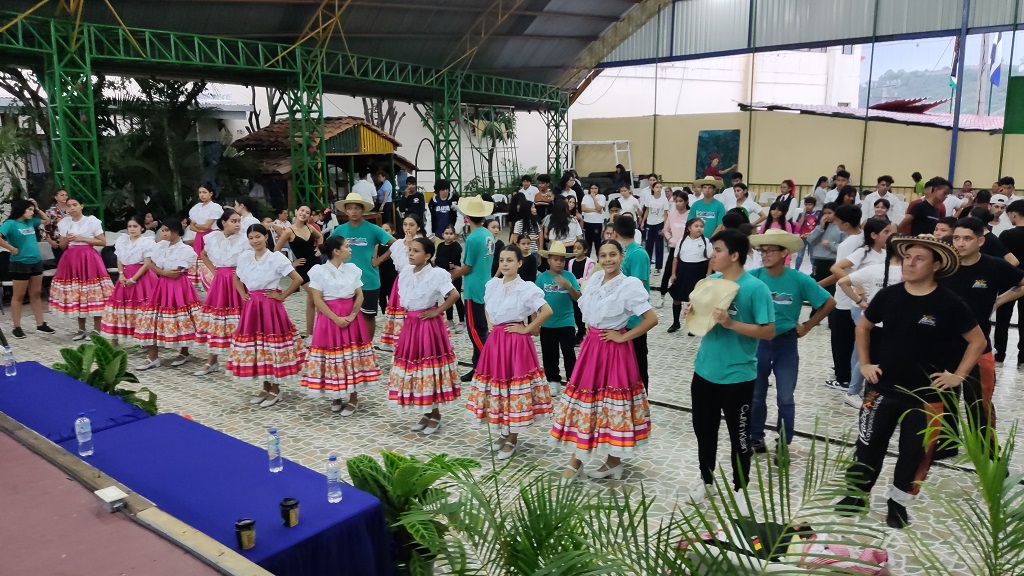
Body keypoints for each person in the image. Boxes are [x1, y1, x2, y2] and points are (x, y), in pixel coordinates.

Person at [839, 234, 984, 529]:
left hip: (927, 395)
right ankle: (856, 494)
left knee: (914, 453)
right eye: (907, 257)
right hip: (882, 388)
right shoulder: (889, 296)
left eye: (919, 259)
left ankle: (898, 503)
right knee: (868, 444)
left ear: (936, 265)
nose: (909, 263)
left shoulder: (950, 303)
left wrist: (958, 375)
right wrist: (865, 363)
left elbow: (977, 341)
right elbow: (864, 327)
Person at [551, 239, 657, 480]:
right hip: (592, 348)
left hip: (614, 351)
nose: (608, 259)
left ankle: (610, 461)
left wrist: (623, 337)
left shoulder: (629, 285)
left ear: (622, 257)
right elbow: (586, 308)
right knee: (588, 403)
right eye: (604, 255)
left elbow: (651, 319)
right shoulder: (596, 280)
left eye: (613, 255)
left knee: (610, 405)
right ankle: (580, 460)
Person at [686, 229, 775, 504]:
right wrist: (690, 313)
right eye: (713, 250)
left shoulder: (755, 288)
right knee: (704, 429)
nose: (712, 255)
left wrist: (731, 323)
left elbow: (769, 330)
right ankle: (706, 479)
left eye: (719, 251)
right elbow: (699, 323)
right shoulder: (710, 282)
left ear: (735, 255)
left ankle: (740, 488)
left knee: (739, 435)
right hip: (704, 372)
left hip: (738, 376)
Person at [937, 217, 1024, 459]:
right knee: (945, 399)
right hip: (944, 346)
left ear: (980, 241)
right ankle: (947, 444)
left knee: (979, 403)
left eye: (967, 238)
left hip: (979, 347)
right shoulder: (943, 266)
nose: (960, 243)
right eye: (956, 238)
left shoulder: (994, 266)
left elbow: (1021, 283)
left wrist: (999, 301)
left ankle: (987, 452)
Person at [748, 230, 835, 454]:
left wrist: (807, 326)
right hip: (759, 344)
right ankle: (756, 436)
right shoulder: (754, 277)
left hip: (786, 344)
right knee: (756, 395)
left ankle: (783, 442)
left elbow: (828, 302)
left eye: (770, 251)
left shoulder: (798, 279)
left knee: (785, 397)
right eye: (762, 250)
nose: (765, 255)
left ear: (784, 253)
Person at [466, 245, 554, 460]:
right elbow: (487, 307)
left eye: (509, 260)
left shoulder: (526, 288)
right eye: (502, 260)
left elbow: (547, 311)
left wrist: (525, 328)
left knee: (513, 388)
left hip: (516, 344)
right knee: (498, 387)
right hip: (496, 341)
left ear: (519, 263)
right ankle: (504, 431)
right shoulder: (493, 284)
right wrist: (491, 326)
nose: (505, 264)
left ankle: (513, 437)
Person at [388, 237, 462, 434]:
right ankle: (426, 412)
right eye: (410, 250)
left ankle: (435, 413)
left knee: (429, 368)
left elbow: (454, 295)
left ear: (428, 256)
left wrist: (437, 311)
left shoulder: (436, 274)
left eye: (416, 251)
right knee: (415, 368)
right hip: (411, 325)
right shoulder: (406, 272)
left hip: (428, 326)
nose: (411, 254)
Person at [300, 235, 380, 415]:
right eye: (347, 246)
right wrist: (335, 318)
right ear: (336, 251)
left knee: (351, 357)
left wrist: (352, 314)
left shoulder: (352, 269)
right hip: (329, 319)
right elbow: (317, 300)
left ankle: (353, 397)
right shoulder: (318, 271)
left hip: (351, 318)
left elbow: (359, 295)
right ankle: (335, 394)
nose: (350, 249)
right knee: (332, 358)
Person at [228, 224, 305, 408]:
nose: (255, 241)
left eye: (258, 237)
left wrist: (282, 295)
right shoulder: (246, 257)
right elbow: (236, 278)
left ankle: (275, 388)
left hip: (270, 306)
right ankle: (265, 386)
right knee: (257, 346)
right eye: (251, 238)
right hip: (252, 306)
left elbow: (298, 279)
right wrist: (242, 293)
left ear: (266, 237)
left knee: (271, 346)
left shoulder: (276, 258)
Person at [837, 238, 903, 408]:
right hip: (891, 325)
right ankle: (856, 392)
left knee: (861, 354)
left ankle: (854, 391)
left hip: (871, 320)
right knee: (869, 358)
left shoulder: (874, 269)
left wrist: (859, 300)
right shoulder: (908, 272)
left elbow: (843, 282)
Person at [133, 220, 201, 370]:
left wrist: (162, 271)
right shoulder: (160, 246)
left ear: (176, 231)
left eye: (166, 230)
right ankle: (152, 356)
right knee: (153, 318)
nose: (163, 234)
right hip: (161, 285)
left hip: (178, 287)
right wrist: (162, 272)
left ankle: (184, 351)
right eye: (162, 230)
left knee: (181, 318)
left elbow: (175, 272)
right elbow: (150, 263)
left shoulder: (185, 250)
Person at [331, 193, 396, 343]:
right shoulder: (340, 230)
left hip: (369, 281)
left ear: (363, 211)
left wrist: (379, 259)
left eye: (356, 208)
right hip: (345, 283)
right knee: (346, 315)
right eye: (350, 208)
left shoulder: (373, 229)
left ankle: (367, 347)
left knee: (367, 316)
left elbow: (396, 244)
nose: (353, 211)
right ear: (345, 211)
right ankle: (350, 344)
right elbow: (328, 249)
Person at [192, 209, 248, 376]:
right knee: (216, 320)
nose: (237, 224)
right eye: (233, 221)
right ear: (224, 222)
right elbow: (203, 254)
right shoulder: (212, 237)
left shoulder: (245, 240)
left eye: (239, 221)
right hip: (220, 282)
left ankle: (240, 360)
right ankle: (212, 361)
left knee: (239, 320)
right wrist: (215, 272)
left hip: (238, 281)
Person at [50, 198, 114, 339]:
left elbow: (102, 241)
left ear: (81, 206)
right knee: (77, 292)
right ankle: (81, 329)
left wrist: (82, 238)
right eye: (69, 206)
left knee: (93, 292)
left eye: (75, 205)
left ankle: (98, 329)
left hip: (88, 257)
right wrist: (67, 237)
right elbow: (62, 246)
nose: (72, 208)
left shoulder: (92, 221)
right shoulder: (64, 223)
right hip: (71, 258)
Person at [817, 204, 864, 389]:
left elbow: (838, 272)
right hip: (858, 297)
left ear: (845, 223)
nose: (834, 223)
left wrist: (816, 286)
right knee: (852, 342)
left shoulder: (847, 243)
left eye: (836, 221)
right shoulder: (863, 238)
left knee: (840, 341)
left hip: (845, 298)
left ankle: (843, 377)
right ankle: (849, 372)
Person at [451, 196, 496, 382]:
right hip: (485, 283)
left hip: (472, 287)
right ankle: (478, 367)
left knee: (475, 331)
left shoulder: (472, 239)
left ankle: (490, 363)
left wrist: (453, 274)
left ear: (467, 217)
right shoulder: (488, 234)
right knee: (482, 327)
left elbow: (467, 267)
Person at [0, 199, 55, 338]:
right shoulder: (10, 224)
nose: (31, 212)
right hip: (19, 263)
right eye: (29, 210)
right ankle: (17, 326)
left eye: (32, 210)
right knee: (18, 295)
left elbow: (47, 220)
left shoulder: (31, 222)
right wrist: (11, 248)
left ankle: (40, 323)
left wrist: (36, 207)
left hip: (35, 261)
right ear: (21, 210)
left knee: (36, 292)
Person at [100, 215, 157, 343]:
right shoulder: (123, 240)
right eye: (129, 226)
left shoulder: (147, 242)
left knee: (143, 307)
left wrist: (134, 279)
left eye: (135, 226)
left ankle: (147, 338)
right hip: (125, 275)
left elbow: (147, 263)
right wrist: (121, 274)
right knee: (120, 305)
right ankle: (117, 340)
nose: (132, 229)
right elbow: (119, 259)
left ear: (142, 228)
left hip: (142, 277)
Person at [535, 241, 581, 394]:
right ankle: (553, 380)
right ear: (548, 260)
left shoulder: (570, 276)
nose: (559, 263)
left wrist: (568, 285)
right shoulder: (542, 278)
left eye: (562, 260)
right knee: (549, 354)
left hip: (566, 322)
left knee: (569, 353)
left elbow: (578, 298)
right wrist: (535, 322)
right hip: (547, 323)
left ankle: (572, 382)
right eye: (556, 259)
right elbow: (534, 300)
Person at [613, 216, 652, 391]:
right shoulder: (621, 253)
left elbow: (639, 286)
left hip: (635, 319)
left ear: (616, 232)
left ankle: (642, 397)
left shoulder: (637, 254)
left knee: (638, 361)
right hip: (620, 318)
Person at [274, 204, 324, 337]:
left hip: (316, 264)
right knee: (317, 296)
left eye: (307, 212)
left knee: (312, 300)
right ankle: (323, 331)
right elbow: (276, 251)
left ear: (310, 215)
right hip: (302, 268)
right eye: (302, 210)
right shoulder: (289, 231)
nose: (304, 214)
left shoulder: (310, 227)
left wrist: (319, 249)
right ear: (296, 212)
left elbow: (320, 237)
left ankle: (310, 333)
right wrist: (291, 263)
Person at [381, 215, 424, 348]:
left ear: (418, 227)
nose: (408, 228)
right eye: (405, 224)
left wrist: (411, 244)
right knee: (401, 312)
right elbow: (400, 264)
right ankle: (401, 341)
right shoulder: (398, 244)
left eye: (411, 225)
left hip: (418, 281)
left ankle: (417, 340)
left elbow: (414, 263)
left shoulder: (423, 242)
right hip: (401, 281)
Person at [667, 218, 712, 333]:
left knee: (695, 300)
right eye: (696, 226)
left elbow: (710, 259)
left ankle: (693, 325)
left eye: (701, 226)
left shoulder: (705, 241)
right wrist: (673, 273)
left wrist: (708, 274)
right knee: (677, 297)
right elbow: (676, 258)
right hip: (683, 270)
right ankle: (676, 322)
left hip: (698, 271)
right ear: (689, 228)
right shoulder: (682, 241)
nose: (699, 228)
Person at [994, 200, 1024, 365]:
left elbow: (1002, 260)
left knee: (1003, 319)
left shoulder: (1007, 235)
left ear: (1013, 213)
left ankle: (1000, 353)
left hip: (1009, 280)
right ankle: (1023, 355)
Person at [187, 187, 222, 290]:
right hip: (199, 236)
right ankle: (198, 283)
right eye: (200, 192)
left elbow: (208, 226)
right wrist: (200, 228)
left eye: (204, 192)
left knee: (210, 257)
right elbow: (191, 226)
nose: (202, 195)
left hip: (212, 236)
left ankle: (210, 282)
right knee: (198, 257)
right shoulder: (197, 207)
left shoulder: (215, 207)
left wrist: (198, 226)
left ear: (211, 193)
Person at [434, 225, 467, 332]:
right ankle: (450, 319)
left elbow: (452, 263)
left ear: (455, 235)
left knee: (456, 298)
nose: (448, 236)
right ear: (443, 234)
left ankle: (462, 321)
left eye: (451, 234)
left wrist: (445, 263)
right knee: (447, 298)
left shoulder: (457, 246)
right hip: (444, 276)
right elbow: (438, 260)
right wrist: (445, 263)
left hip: (455, 275)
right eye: (446, 234)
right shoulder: (440, 246)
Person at [660, 190, 692, 300]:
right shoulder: (672, 214)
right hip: (674, 247)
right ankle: (662, 295)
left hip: (687, 248)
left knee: (684, 273)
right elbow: (666, 229)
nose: (678, 203)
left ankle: (684, 297)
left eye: (680, 201)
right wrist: (670, 238)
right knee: (667, 271)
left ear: (686, 202)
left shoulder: (690, 214)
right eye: (676, 201)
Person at [805, 202, 844, 290]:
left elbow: (844, 247)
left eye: (829, 213)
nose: (826, 216)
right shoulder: (821, 226)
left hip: (832, 260)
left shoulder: (841, 227)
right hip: (818, 259)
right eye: (824, 213)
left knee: (830, 285)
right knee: (817, 282)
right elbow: (810, 239)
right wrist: (820, 227)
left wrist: (831, 245)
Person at [641, 181, 671, 277]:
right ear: (653, 189)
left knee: (659, 245)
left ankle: (658, 267)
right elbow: (647, 211)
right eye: (657, 187)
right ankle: (648, 266)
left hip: (659, 223)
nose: (659, 189)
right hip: (650, 223)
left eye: (660, 187)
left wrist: (664, 226)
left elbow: (666, 214)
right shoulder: (649, 199)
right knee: (648, 245)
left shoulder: (664, 200)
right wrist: (643, 221)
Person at [569, 239, 595, 342]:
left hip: (584, 290)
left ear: (585, 250)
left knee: (581, 312)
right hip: (574, 290)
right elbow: (570, 274)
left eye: (578, 248)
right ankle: (579, 330)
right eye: (574, 248)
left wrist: (575, 281)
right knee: (575, 311)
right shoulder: (571, 262)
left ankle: (581, 332)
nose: (576, 250)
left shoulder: (590, 262)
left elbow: (590, 277)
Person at [794, 197, 821, 271]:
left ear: (814, 205)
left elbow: (819, 225)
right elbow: (799, 225)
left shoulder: (817, 214)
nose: (808, 206)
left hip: (813, 237)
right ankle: (796, 270)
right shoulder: (801, 214)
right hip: (802, 237)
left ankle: (814, 271)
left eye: (810, 204)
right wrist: (803, 215)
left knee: (813, 256)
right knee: (800, 255)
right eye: (806, 204)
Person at [43, 189, 69, 263]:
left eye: (66, 195)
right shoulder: (50, 211)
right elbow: (43, 228)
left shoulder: (71, 209)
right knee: (63, 266)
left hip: (72, 242)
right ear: (56, 197)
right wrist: (50, 241)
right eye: (62, 195)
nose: (65, 197)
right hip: (58, 243)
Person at [580, 183, 605, 254]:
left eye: (595, 188)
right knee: (588, 242)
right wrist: (594, 210)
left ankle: (599, 258)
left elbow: (599, 208)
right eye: (592, 188)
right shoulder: (586, 197)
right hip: (587, 221)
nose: (593, 190)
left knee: (597, 242)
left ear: (598, 189)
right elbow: (583, 208)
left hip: (597, 222)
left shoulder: (601, 196)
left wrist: (594, 198)